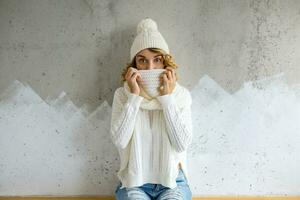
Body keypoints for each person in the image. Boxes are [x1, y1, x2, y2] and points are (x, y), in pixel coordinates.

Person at [110, 18, 193, 200]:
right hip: (134, 182)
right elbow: (119, 141)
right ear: (134, 66)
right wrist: (134, 98)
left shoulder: (181, 96)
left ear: (166, 63)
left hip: (173, 181)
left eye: (157, 60)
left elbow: (181, 144)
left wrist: (167, 100)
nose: (150, 67)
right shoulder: (122, 95)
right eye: (142, 61)